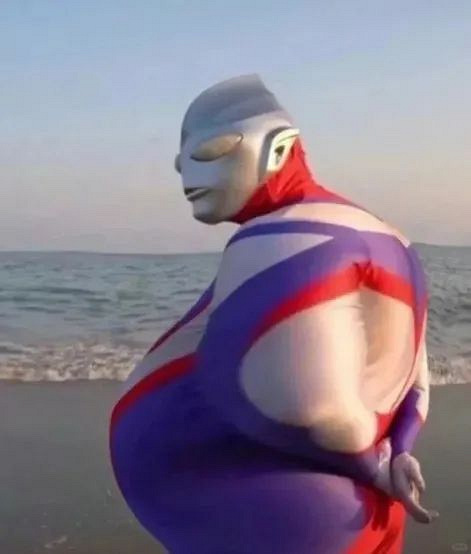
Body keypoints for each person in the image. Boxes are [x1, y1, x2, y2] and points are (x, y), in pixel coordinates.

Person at [110, 75, 438, 553]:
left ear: (277, 147)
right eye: (181, 163)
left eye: (211, 152)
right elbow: (415, 378)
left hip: (283, 519)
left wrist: (374, 467)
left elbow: (304, 406)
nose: (187, 177)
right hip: (352, 510)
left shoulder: (278, 236)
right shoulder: (392, 238)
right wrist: (399, 449)